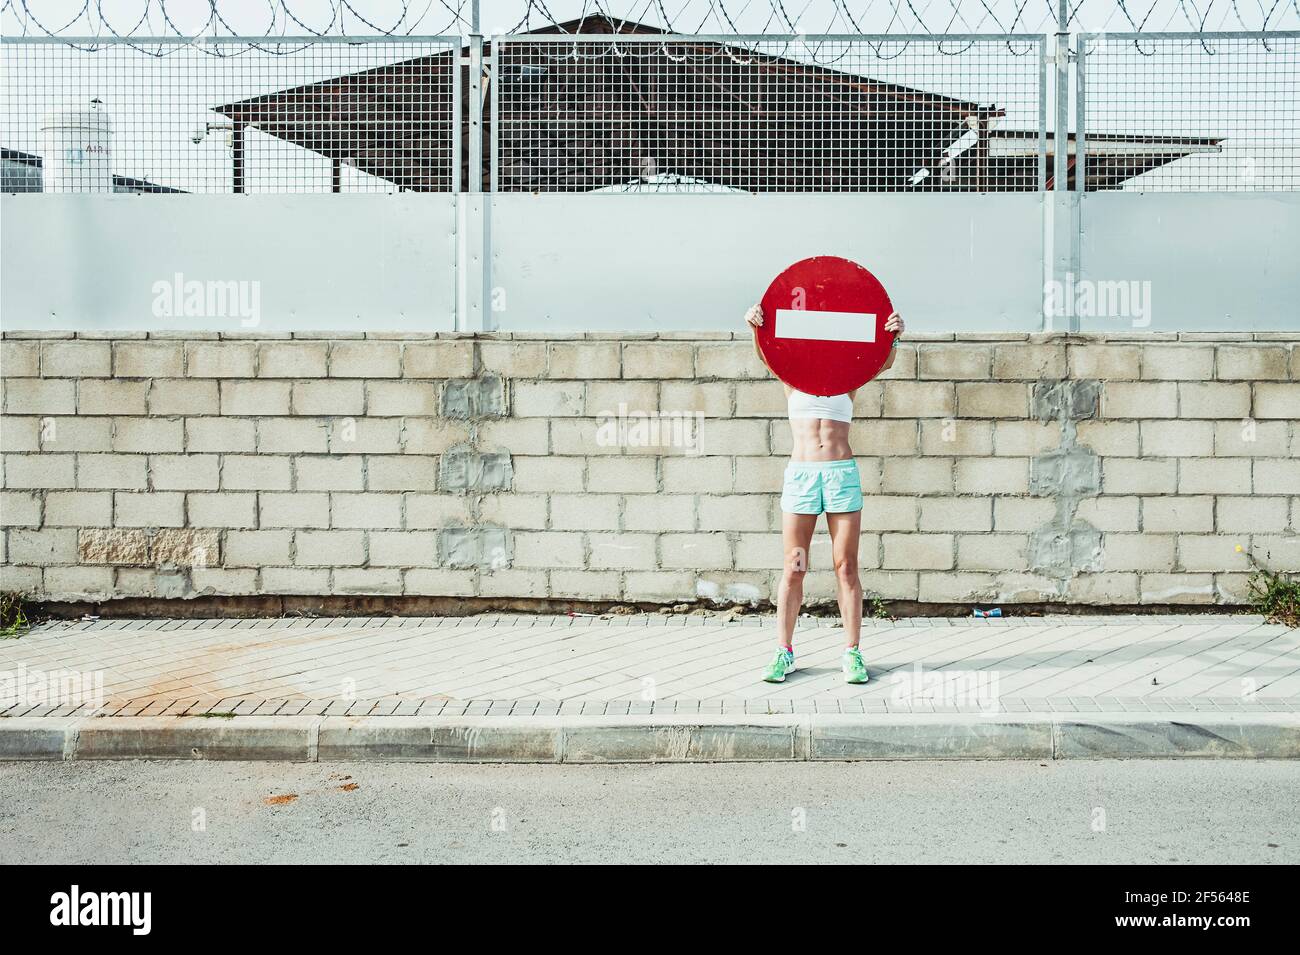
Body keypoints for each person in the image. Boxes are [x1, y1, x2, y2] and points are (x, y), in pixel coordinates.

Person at [744, 303, 905, 684]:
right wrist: (755, 327)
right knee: (794, 567)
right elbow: (767, 354)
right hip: (801, 478)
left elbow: (881, 362)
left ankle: (852, 653)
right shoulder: (791, 380)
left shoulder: (847, 381)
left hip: (839, 476)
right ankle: (783, 652)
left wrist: (893, 335)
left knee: (846, 567)